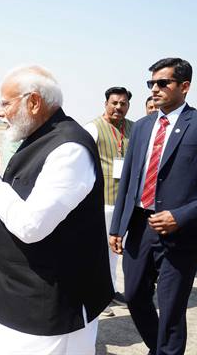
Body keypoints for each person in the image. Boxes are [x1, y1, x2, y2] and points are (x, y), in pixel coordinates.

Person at [0, 65, 113, 355]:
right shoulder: (39, 137)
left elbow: (31, 226)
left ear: (33, 102)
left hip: (50, 308)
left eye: (5, 103)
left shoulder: (69, 149)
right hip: (14, 296)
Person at [109, 58, 197, 355]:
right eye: (151, 83)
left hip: (181, 233)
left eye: (162, 83)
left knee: (171, 309)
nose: (154, 89)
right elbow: (129, 179)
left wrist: (180, 216)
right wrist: (118, 226)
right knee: (134, 296)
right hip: (140, 228)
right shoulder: (142, 127)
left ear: (184, 86)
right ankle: (161, 349)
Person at [84, 86, 134, 316]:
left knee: (114, 250)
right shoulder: (93, 128)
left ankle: (110, 291)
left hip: (123, 202)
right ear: (106, 104)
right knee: (96, 251)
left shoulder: (133, 128)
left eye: (123, 104)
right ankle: (94, 297)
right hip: (100, 201)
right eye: (114, 103)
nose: (118, 107)